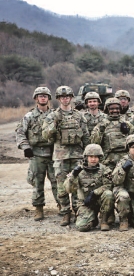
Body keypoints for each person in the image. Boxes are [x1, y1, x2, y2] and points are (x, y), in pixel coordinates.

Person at [42, 86, 90, 226]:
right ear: (58, 99)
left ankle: (78, 211)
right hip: (60, 156)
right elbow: (46, 136)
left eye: (68, 96)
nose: (65, 99)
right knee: (62, 187)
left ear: (71, 98)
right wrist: (54, 124)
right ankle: (65, 213)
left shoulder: (79, 115)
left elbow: (86, 136)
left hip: (77, 156)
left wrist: (87, 155)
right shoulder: (53, 116)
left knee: (77, 184)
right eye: (62, 97)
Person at [16, 86, 59, 220]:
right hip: (36, 154)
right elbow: (20, 132)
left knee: (57, 183)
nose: (43, 98)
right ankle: (39, 208)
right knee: (37, 183)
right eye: (40, 96)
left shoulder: (55, 115)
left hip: (53, 153)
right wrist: (25, 147)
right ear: (36, 98)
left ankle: (62, 207)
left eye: (45, 96)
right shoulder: (29, 116)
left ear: (49, 98)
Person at [64, 144, 114, 232]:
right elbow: (69, 190)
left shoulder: (104, 169)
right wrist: (73, 176)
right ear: (86, 157)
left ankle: (104, 220)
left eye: (96, 157)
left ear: (100, 158)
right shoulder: (78, 170)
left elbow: (109, 185)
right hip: (85, 203)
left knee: (108, 194)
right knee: (82, 227)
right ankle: (92, 218)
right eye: (91, 156)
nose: (93, 159)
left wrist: (95, 192)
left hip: (99, 201)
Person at [111, 134, 134, 230]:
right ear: (128, 148)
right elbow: (116, 181)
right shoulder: (123, 161)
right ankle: (123, 219)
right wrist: (123, 169)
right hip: (123, 191)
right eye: (133, 147)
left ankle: (131, 213)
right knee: (123, 197)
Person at [90, 98, 134, 170]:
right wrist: (100, 132)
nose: (115, 110)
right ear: (107, 110)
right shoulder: (101, 125)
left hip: (126, 160)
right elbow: (94, 143)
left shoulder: (127, 124)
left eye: (117, 108)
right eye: (112, 109)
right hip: (108, 161)